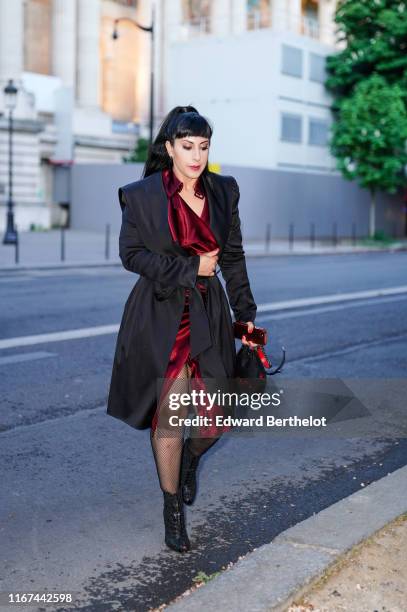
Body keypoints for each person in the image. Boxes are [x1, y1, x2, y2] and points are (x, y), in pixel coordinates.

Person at [107, 105, 258, 553]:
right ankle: (173, 510)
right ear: (169, 147)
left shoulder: (224, 191)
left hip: (210, 314)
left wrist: (246, 316)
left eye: (203, 146)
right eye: (187, 146)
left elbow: (233, 257)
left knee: (217, 419)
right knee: (170, 418)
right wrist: (191, 267)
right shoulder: (142, 195)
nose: (196, 156)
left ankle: (191, 461)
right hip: (162, 315)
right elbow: (131, 255)